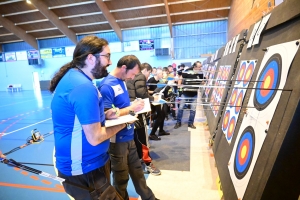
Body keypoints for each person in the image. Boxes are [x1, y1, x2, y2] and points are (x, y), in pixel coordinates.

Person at [50, 36, 126, 200]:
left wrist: (104, 115)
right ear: (91, 58)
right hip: (84, 169)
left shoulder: (75, 79)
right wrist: (123, 124)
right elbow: (95, 137)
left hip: (89, 165)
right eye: (107, 56)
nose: (110, 62)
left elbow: (79, 118)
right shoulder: (83, 87)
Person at [99, 55, 157, 200]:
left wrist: (134, 105)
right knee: (121, 178)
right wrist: (131, 108)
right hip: (117, 140)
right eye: (132, 73)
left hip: (129, 136)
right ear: (124, 68)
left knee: (138, 172)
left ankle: (149, 198)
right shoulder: (107, 86)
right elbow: (107, 114)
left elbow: (123, 106)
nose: (132, 78)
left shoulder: (122, 81)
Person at [126, 62, 161, 176]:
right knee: (142, 138)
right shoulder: (139, 75)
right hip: (138, 111)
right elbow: (142, 94)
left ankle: (137, 161)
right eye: (149, 72)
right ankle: (147, 163)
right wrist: (152, 98)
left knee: (134, 138)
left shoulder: (126, 76)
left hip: (128, 111)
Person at [174, 61, 204, 129]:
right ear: (195, 67)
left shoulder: (200, 73)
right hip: (185, 93)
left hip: (194, 93)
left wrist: (204, 81)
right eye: (199, 67)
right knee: (181, 107)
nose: (200, 68)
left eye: (201, 67)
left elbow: (201, 81)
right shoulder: (187, 71)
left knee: (193, 109)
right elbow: (181, 77)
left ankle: (190, 123)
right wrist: (179, 86)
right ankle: (178, 122)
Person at [147, 69, 170, 140]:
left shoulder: (162, 82)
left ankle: (161, 130)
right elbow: (147, 90)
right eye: (162, 74)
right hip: (155, 99)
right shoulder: (152, 80)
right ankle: (152, 133)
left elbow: (164, 91)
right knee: (160, 115)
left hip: (160, 98)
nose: (163, 75)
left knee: (163, 114)